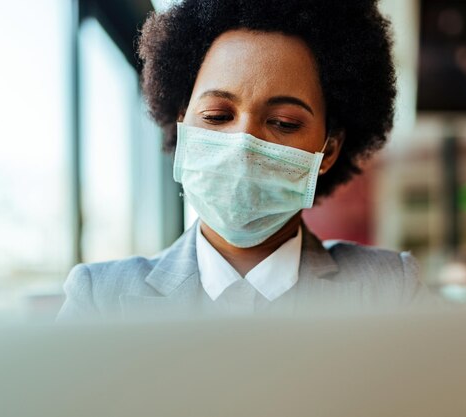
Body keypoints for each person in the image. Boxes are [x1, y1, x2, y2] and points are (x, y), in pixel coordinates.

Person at [57, 0, 423, 320]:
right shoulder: (99, 297)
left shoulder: (392, 289)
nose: (243, 144)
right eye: (217, 115)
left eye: (283, 123)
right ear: (184, 126)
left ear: (328, 150)